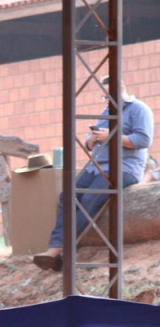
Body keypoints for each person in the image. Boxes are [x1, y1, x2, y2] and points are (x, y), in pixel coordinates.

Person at [34, 78, 154, 271]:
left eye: (108, 95)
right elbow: (90, 144)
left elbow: (143, 139)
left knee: (90, 199)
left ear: (121, 88)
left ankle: (59, 249)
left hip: (123, 168)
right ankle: (56, 246)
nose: (106, 99)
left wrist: (111, 135)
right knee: (68, 196)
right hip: (96, 166)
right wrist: (92, 138)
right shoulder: (106, 111)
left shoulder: (139, 109)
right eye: (104, 96)